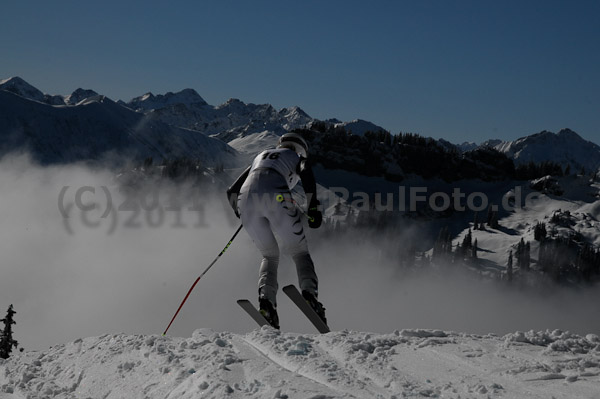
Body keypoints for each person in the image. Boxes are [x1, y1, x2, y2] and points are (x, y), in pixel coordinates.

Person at [226, 132, 326, 329]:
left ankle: (266, 302)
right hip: (277, 194)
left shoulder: (260, 156)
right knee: (299, 251)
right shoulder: (296, 157)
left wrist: (241, 211)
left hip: (246, 201)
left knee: (270, 256)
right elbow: (306, 171)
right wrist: (312, 205)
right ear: (300, 149)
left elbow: (231, 191)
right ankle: (310, 295)